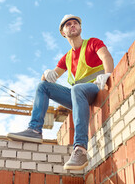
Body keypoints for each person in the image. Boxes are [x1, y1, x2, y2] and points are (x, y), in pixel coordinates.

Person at [7, 14, 114, 170]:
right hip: (78, 97)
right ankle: (35, 130)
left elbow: (106, 56)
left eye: (75, 23)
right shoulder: (67, 58)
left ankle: (80, 149)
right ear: (63, 33)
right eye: (68, 24)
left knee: (77, 89)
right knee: (43, 86)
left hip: (95, 88)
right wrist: (46, 73)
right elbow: (49, 78)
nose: (72, 25)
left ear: (80, 28)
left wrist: (108, 74)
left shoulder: (92, 43)